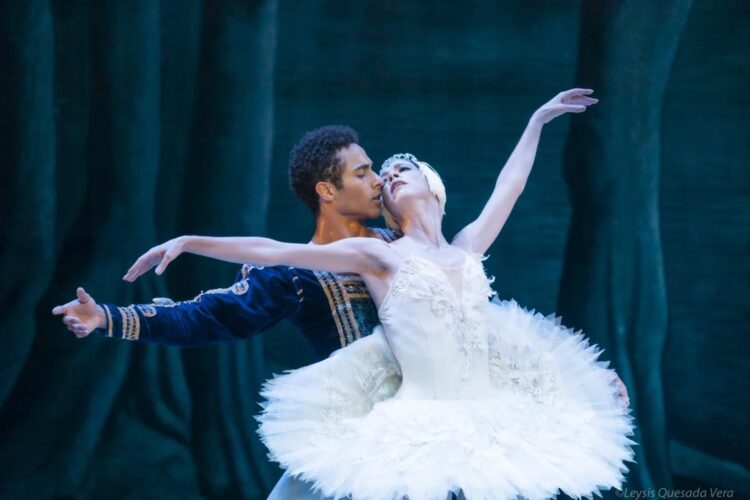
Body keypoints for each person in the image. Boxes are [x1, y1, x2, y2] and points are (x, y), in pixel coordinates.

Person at [123, 89, 635, 500]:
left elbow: (511, 186)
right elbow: (275, 251)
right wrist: (190, 241)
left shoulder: (465, 248)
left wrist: (536, 122)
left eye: (399, 170)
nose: (388, 177)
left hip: (488, 410)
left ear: (432, 186)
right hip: (416, 414)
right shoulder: (380, 254)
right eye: (381, 177)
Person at [52, 125, 398, 498]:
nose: (377, 182)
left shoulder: (406, 246)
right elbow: (206, 317)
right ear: (327, 190)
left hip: (434, 417)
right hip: (360, 437)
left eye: (373, 170)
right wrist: (107, 317)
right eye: (361, 174)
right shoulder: (296, 276)